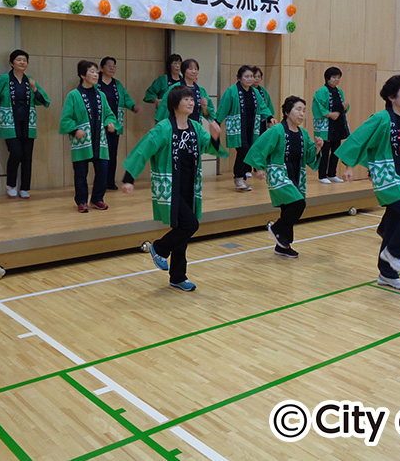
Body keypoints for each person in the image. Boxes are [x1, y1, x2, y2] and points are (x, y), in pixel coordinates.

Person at [335, 75, 400, 291]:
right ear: (392, 97)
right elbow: (359, 139)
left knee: (395, 222)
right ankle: (395, 254)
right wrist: (348, 166)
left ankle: (387, 274)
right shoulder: (381, 118)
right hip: (387, 175)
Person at [121, 86, 227, 291]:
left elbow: (210, 148)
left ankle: (178, 277)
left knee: (182, 231)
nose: (191, 102)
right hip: (170, 187)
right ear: (174, 104)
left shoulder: (196, 127)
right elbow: (143, 150)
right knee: (190, 225)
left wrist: (214, 136)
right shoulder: (163, 128)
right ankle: (159, 248)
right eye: (186, 99)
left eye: (192, 99)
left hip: (190, 186)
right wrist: (128, 178)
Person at [246, 96, 323, 259]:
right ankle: (277, 229)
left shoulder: (303, 133)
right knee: (298, 203)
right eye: (298, 109)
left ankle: (283, 246)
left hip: (297, 174)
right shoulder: (276, 130)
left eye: (303, 110)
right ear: (287, 112)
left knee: (289, 208)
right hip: (278, 173)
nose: (301, 114)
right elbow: (259, 147)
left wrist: (316, 147)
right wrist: (259, 167)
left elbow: (310, 158)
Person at [0, 49, 50, 199]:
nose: (22, 62)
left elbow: (44, 101)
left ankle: (24, 187)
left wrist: (35, 89)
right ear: (11, 63)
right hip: (10, 122)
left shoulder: (30, 81)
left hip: (28, 123)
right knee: (16, 153)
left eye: (25, 60)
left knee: (27, 156)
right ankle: (11, 184)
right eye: (18, 60)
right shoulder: (3, 79)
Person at [59, 60, 117, 212]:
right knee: (80, 174)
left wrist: (110, 122)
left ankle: (97, 198)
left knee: (103, 171)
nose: (95, 74)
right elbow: (66, 119)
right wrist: (74, 130)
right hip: (82, 142)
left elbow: (110, 114)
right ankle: (82, 201)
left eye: (96, 71)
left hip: (100, 141)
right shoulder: (74, 95)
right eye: (91, 71)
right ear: (82, 75)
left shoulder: (101, 95)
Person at [216, 65, 273, 191]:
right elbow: (223, 107)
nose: (250, 79)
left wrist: (270, 118)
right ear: (239, 78)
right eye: (246, 76)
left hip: (252, 128)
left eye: (251, 76)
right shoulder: (231, 91)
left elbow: (263, 106)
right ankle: (239, 177)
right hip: (237, 128)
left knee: (249, 150)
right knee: (244, 150)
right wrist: (217, 122)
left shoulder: (255, 92)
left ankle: (242, 178)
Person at [97, 56, 142, 190]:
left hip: (115, 125)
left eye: (114, 66)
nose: (112, 68)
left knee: (112, 153)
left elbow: (126, 98)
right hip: (99, 125)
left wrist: (134, 107)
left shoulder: (117, 84)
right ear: (101, 68)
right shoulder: (96, 83)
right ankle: (100, 183)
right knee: (100, 156)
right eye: (109, 65)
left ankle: (110, 182)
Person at [312, 66, 350, 184]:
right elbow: (318, 107)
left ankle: (332, 174)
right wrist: (329, 114)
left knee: (336, 149)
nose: (336, 80)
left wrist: (345, 107)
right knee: (325, 150)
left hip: (337, 124)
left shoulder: (339, 91)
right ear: (327, 78)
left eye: (338, 78)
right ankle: (322, 175)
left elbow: (342, 108)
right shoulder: (321, 91)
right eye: (334, 77)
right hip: (326, 124)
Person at [154, 58, 216, 123]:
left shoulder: (201, 90)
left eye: (196, 69)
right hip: (177, 126)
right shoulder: (175, 88)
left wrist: (204, 107)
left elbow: (210, 115)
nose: (194, 71)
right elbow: (164, 108)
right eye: (190, 69)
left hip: (195, 126)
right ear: (184, 70)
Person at [251, 66, 276, 134]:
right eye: (254, 76)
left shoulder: (263, 90)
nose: (257, 79)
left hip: (262, 119)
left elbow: (267, 105)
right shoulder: (248, 90)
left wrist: (270, 118)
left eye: (259, 77)